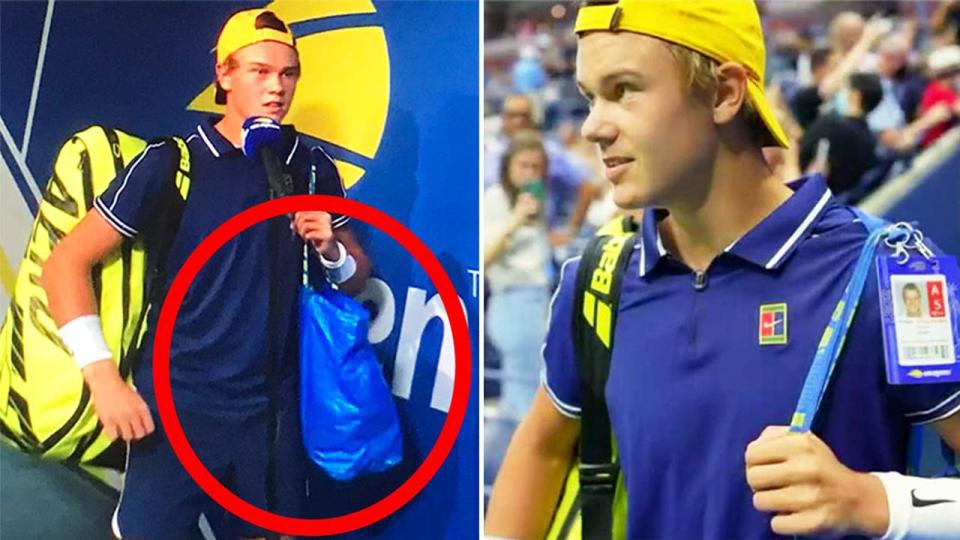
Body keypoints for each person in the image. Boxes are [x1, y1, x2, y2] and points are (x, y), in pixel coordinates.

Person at [485, 1, 960, 538]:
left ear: (725, 92)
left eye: (623, 90)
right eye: (589, 97)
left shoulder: (893, 273)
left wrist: (875, 500)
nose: (593, 126)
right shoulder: (598, 280)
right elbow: (543, 449)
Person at [41, 8, 370, 539]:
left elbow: (355, 277)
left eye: (287, 74)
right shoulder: (172, 162)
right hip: (177, 406)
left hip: (271, 417)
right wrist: (103, 379)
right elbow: (63, 267)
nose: (276, 88)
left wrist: (332, 251)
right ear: (224, 75)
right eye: (259, 72)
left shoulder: (311, 168)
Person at [484, 131, 553, 422]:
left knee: (528, 391)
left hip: (539, 298)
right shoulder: (496, 199)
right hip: (513, 301)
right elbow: (485, 255)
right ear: (508, 167)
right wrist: (515, 219)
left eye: (536, 167)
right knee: (524, 402)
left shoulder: (538, 201)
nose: (530, 174)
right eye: (524, 166)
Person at [484, 94, 596, 250]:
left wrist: (570, 231)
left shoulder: (550, 151)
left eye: (523, 115)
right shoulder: (492, 153)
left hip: (540, 235)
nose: (518, 121)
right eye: (512, 115)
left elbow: (587, 186)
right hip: (499, 236)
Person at [798, 72, 882, 196]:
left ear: (856, 96)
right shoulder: (871, 142)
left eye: (845, 88)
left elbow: (811, 166)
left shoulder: (829, 126)